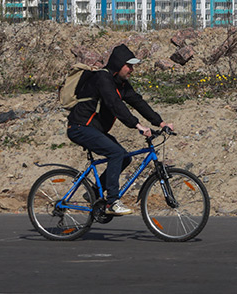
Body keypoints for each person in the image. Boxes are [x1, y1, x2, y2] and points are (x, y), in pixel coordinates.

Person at [66, 43, 173, 215]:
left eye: (133, 66)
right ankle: (112, 202)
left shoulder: (121, 84)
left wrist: (160, 123)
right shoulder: (103, 78)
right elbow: (114, 104)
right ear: (118, 64)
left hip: (93, 129)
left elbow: (137, 102)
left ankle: (93, 193)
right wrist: (137, 125)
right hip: (80, 127)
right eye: (129, 65)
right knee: (116, 153)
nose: (132, 69)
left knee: (124, 157)